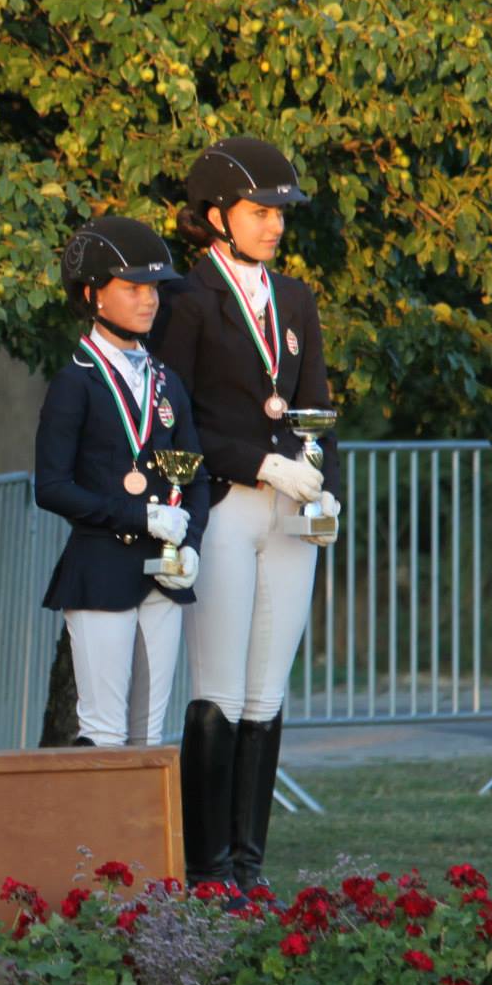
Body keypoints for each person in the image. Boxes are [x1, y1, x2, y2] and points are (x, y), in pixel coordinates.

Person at [155, 136, 339, 893]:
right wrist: (258, 463)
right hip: (227, 503)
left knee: (268, 692)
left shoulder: (295, 299)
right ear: (216, 216)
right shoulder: (185, 299)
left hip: (290, 512)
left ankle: (250, 870)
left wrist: (325, 487)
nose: (275, 225)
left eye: (279, 213)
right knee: (221, 690)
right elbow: (177, 415)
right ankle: (209, 871)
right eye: (260, 212)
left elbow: (317, 405)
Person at [36, 216, 210, 752]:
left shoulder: (166, 381)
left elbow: (196, 475)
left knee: (148, 735)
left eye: (153, 288)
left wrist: (192, 543)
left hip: (164, 574)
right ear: (93, 294)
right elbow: (51, 486)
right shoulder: (74, 382)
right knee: (105, 730)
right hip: (100, 570)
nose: (149, 299)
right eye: (133, 288)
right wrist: (141, 516)